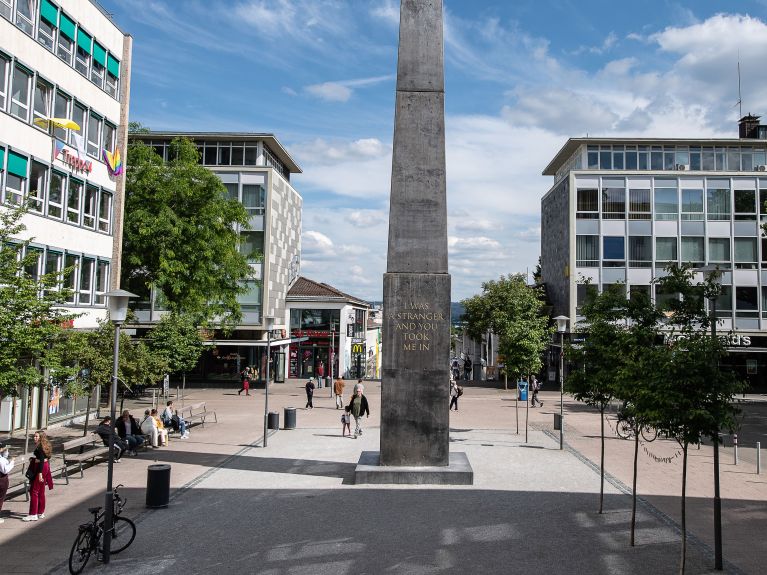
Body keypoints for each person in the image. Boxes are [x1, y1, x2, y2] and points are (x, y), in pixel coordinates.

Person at [23, 431, 53, 521]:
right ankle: (40, 512)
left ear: (41, 437)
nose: (34, 438)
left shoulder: (40, 447)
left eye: (36, 436)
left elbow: (42, 459)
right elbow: (46, 458)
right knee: (41, 491)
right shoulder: (44, 445)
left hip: (41, 469)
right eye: (34, 436)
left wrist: (40, 474)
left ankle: (33, 514)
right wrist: (36, 459)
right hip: (45, 468)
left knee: (34, 491)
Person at [0, 442, 16, 523]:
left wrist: (5, 451)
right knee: (0, 498)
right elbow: (5, 470)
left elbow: (4, 458)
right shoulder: (1, 460)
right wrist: (12, 462)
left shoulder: (1, 458)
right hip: (2, 480)